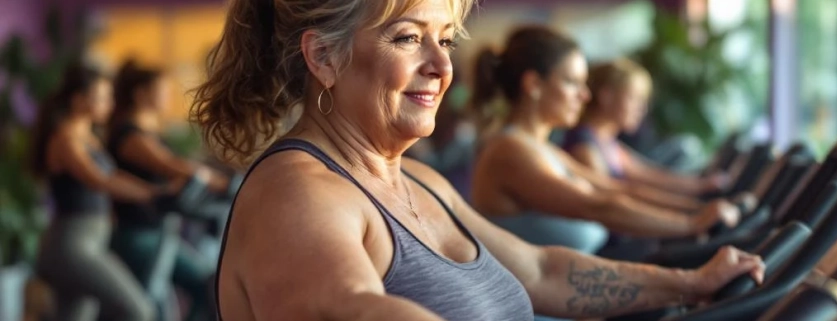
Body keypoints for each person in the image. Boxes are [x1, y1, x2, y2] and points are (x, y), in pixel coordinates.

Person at [190, 1, 765, 320]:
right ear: (324, 58)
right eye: (409, 38)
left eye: (447, 41)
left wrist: (693, 282)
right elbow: (356, 310)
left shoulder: (419, 177)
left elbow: (542, 271)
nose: (442, 67)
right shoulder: (296, 193)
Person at [470, 27, 744, 257]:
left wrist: (700, 209)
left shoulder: (541, 148)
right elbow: (598, 205)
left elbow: (617, 189)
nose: (585, 95)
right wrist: (693, 223)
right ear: (534, 84)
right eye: (572, 82)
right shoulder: (509, 152)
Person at [29, 62, 164, 321]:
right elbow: (98, 180)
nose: (109, 104)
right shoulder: (66, 139)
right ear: (79, 100)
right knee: (138, 310)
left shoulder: (89, 136)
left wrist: (154, 190)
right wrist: (152, 194)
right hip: (71, 244)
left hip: (90, 241)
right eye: (102, 98)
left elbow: (112, 176)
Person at [107, 60, 225, 320]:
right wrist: (219, 181)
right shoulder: (129, 135)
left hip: (159, 232)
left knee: (206, 284)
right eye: (162, 89)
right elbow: (170, 166)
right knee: (152, 307)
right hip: (138, 234)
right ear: (140, 94)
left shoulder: (149, 133)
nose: (167, 95)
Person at [564, 58, 728, 197]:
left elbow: (650, 176)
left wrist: (701, 186)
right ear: (606, 96)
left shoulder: (607, 142)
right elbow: (611, 201)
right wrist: (694, 214)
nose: (641, 109)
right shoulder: (585, 146)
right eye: (634, 99)